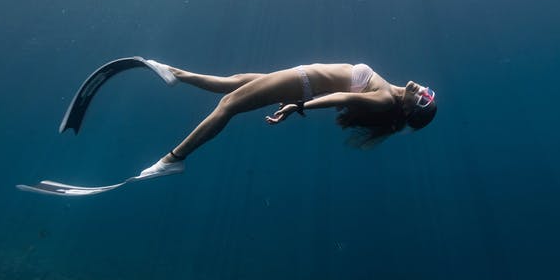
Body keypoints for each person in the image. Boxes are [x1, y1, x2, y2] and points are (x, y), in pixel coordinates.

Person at [133, 61, 437, 181]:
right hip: (300, 79)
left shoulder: (385, 98)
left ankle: (174, 158)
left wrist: (299, 105)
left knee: (228, 105)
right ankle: (175, 74)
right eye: (428, 92)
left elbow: (343, 99)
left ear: (410, 111)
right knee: (234, 82)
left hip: (302, 84)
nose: (422, 91)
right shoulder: (389, 90)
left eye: (423, 99)